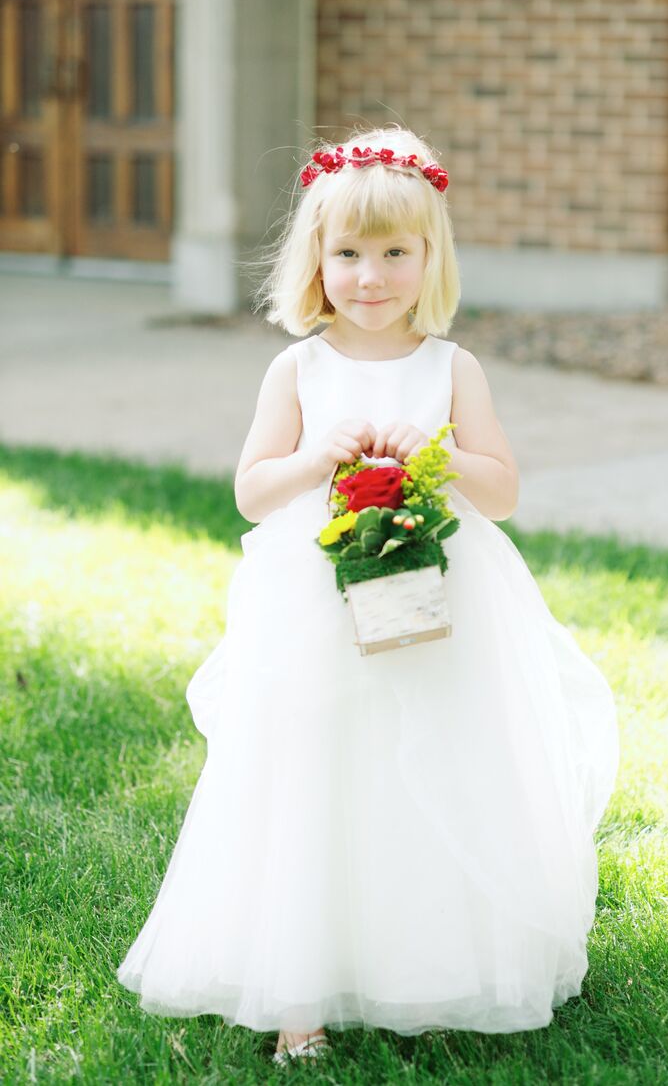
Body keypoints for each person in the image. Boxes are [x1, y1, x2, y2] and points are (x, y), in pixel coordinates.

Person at [116, 125, 620, 1067]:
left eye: (395, 252)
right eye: (347, 253)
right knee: (313, 770)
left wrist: (440, 456)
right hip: (314, 602)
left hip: (438, 599)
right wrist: (315, 455)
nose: (371, 275)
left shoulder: (450, 366)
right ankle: (297, 987)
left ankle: (426, 966)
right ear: (315, 259)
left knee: (426, 764)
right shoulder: (298, 368)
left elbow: (503, 490)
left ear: (430, 258)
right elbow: (252, 489)